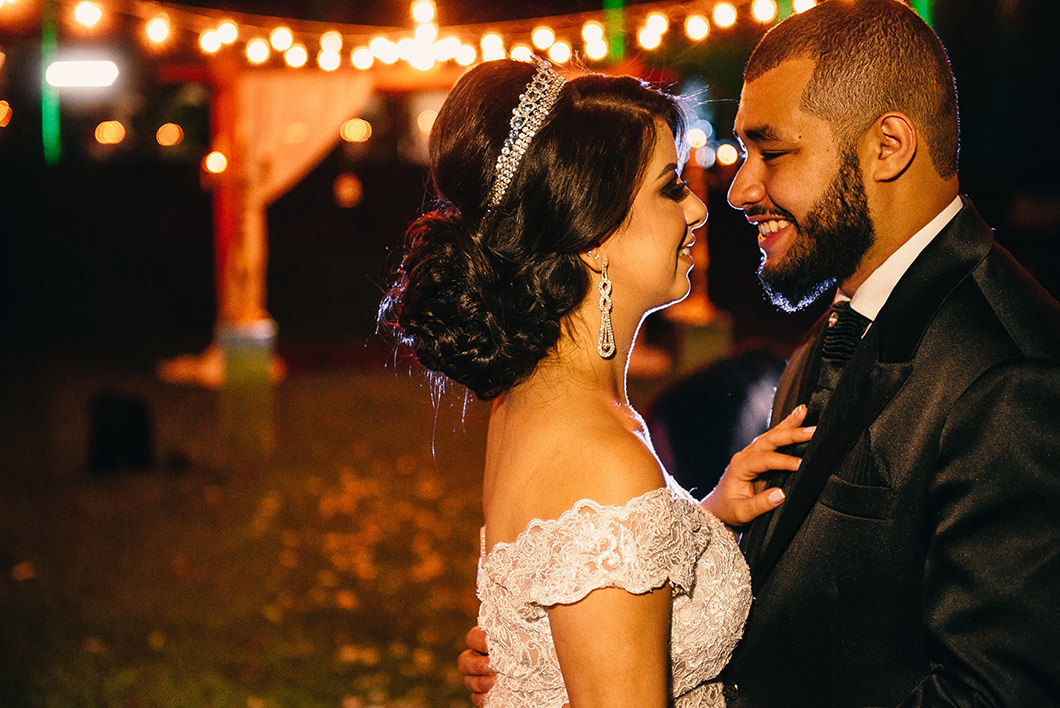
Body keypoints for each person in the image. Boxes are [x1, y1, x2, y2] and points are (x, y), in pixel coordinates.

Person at [461, 1, 1060, 706]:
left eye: (771, 151)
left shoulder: (1010, 373)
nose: (736, 191)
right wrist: (570, 633)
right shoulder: (839, 326)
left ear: (888, 147)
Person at [379, 58, 815, 707]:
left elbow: (591, 573)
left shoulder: (534, 401)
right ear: (592, 232)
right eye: (671, 186)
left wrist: (707, 518)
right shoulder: (604, 462)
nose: (698, 208)